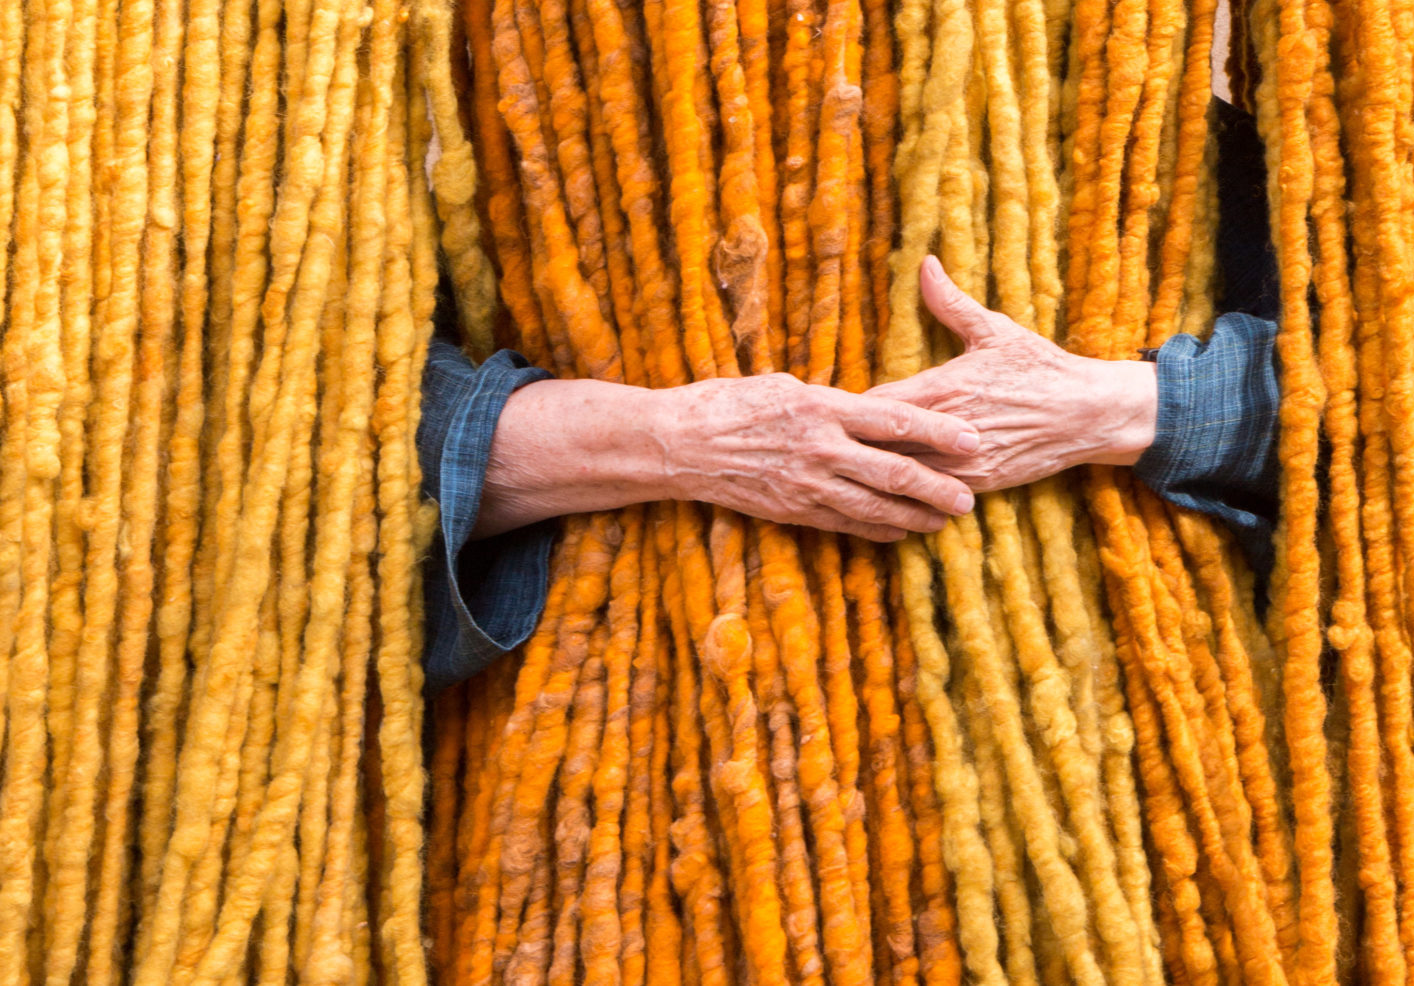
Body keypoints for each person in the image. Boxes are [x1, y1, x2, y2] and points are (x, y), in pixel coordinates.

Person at [420, 100, 1280, 690]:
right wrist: (673, 437)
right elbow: (324, 404)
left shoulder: (1156, 106)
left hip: (1119, 673)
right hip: (618, 678)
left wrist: (1126, 405)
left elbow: (1396, 379)